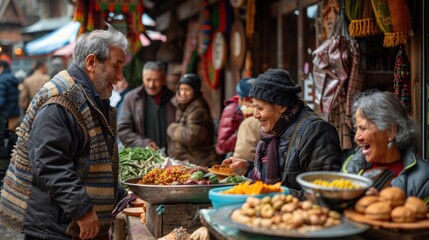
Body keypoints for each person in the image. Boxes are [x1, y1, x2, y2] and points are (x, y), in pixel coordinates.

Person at [0, 23, 130, 240]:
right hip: (55, 228)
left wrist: (121, 196)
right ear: (91, 63)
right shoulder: (62, 100)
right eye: (116, 66)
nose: (120, 77)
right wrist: (82, 210)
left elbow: (92, 162)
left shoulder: (89, 97)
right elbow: (50, 162)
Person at [222, 69, 342, 199]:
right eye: (254, 107)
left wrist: (274, 193)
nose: (255, 115)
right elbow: (277, 172)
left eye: (260, 108)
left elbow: (325, 193)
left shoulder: (315, 132)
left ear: (282, 106)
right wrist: (248, 168)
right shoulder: (275, 132)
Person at [341, 91, 429, 203]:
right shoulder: (351, 166)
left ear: (390, 131)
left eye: (363, 129)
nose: (356, 138)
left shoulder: (424, 178)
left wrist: (382, 203)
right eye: (356, 129)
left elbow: (420, 217)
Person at [118, 61, 176, 155]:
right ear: (142, 78)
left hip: (171, 159)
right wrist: (144, 143)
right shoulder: (131, 98)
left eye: (156, 80)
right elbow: (123, 130)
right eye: (148, 80)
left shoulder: (174, 99)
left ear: (163, 80)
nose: (151, 85)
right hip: (143, 158)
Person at [167, 73, 218, 166]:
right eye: (181, 89)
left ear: (195, 90)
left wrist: (172, 129)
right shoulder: (182, 105)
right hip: (186, 162)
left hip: (198, 163)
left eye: (187, 89)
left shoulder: (198, 108)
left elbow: (192, 137)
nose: (183, 93)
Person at [0, 58, 20, 131]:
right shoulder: (12, 78)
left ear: (1, 67)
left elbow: (0, 100)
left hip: (4, 116)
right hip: (14, 114)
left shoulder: (1, 80)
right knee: (12, 138)